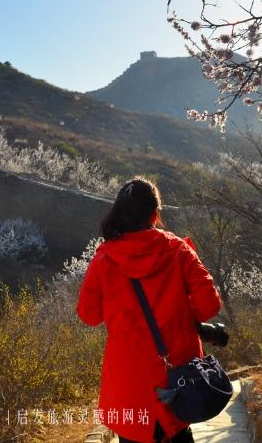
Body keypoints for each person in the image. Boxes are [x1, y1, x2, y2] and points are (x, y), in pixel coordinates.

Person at [76, 177, 223, 443]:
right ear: (155, 214)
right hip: (177, 380)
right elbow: (208, 306)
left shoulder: (104, 259)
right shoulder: (178, 250)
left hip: (129, 384)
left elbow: (89, 315)